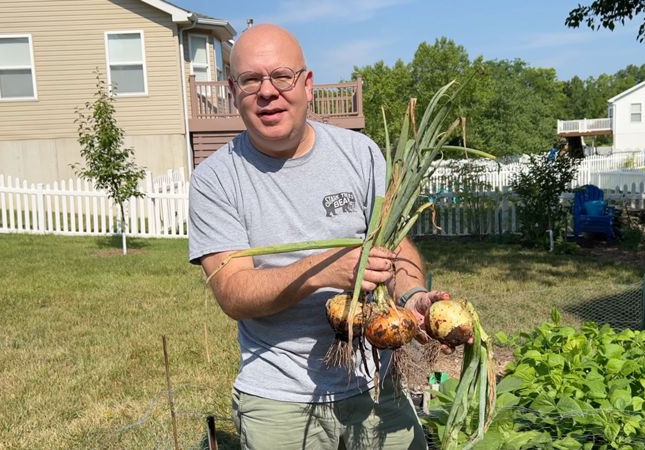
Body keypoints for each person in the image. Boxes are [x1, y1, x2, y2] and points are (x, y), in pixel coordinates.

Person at [188, 24, 453, 449]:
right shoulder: (215, 179)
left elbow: (394, 246)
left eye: (281, 76)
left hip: (376, 384)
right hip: (281, 397)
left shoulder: (359, 153)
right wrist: (323, 269)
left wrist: (412, 297)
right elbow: (232, 291)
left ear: (307, 84)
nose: (267, 92)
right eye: (251, 80)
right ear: (234, 90)